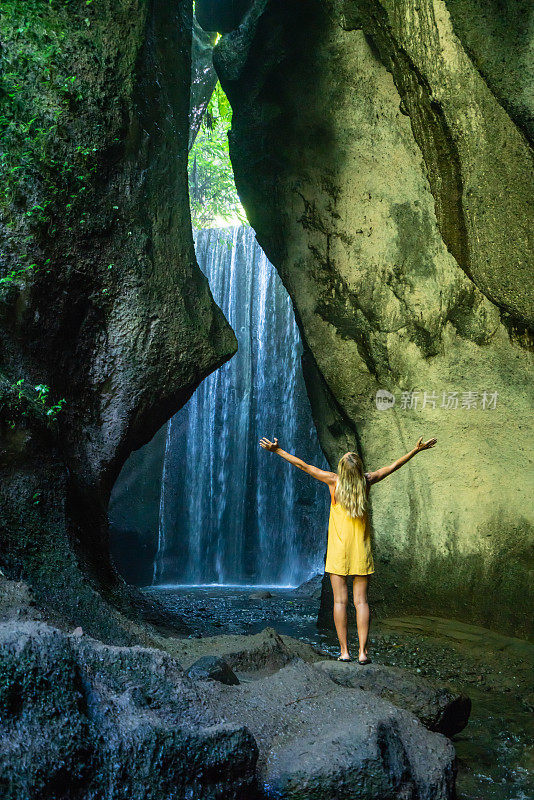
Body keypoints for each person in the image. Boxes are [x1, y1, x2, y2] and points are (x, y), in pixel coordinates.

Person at [259, 435, 437, 664]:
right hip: (360, 552)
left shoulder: (333, 482)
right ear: (359, 469)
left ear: (342, 469)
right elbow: (392, 467)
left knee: (339, 602)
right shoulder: (367, 481)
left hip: (338, 552)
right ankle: (363, 652)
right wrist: (415, 451)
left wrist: (278, 451)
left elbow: (303, 465)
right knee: (361, 602)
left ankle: (344, 652)